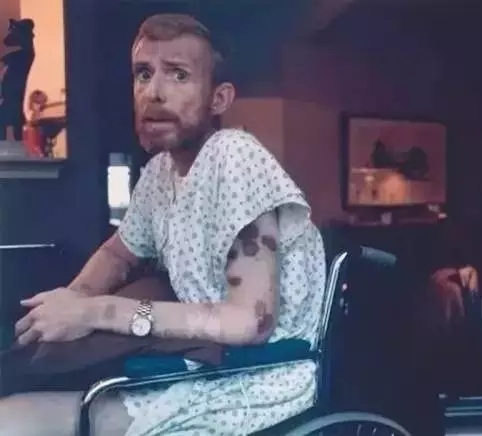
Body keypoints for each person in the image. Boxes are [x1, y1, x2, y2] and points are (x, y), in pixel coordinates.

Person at [0, 13, 326, 436]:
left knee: (13, 421)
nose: (153, 92)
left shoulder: (234, 155)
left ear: (219, 98)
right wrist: (72, 299)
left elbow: (250, 323)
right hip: (197, 366)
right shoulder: (160, 173)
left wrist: (95, 312)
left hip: (258, 378)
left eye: (178, 75)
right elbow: (118, 252)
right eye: (143, 73)